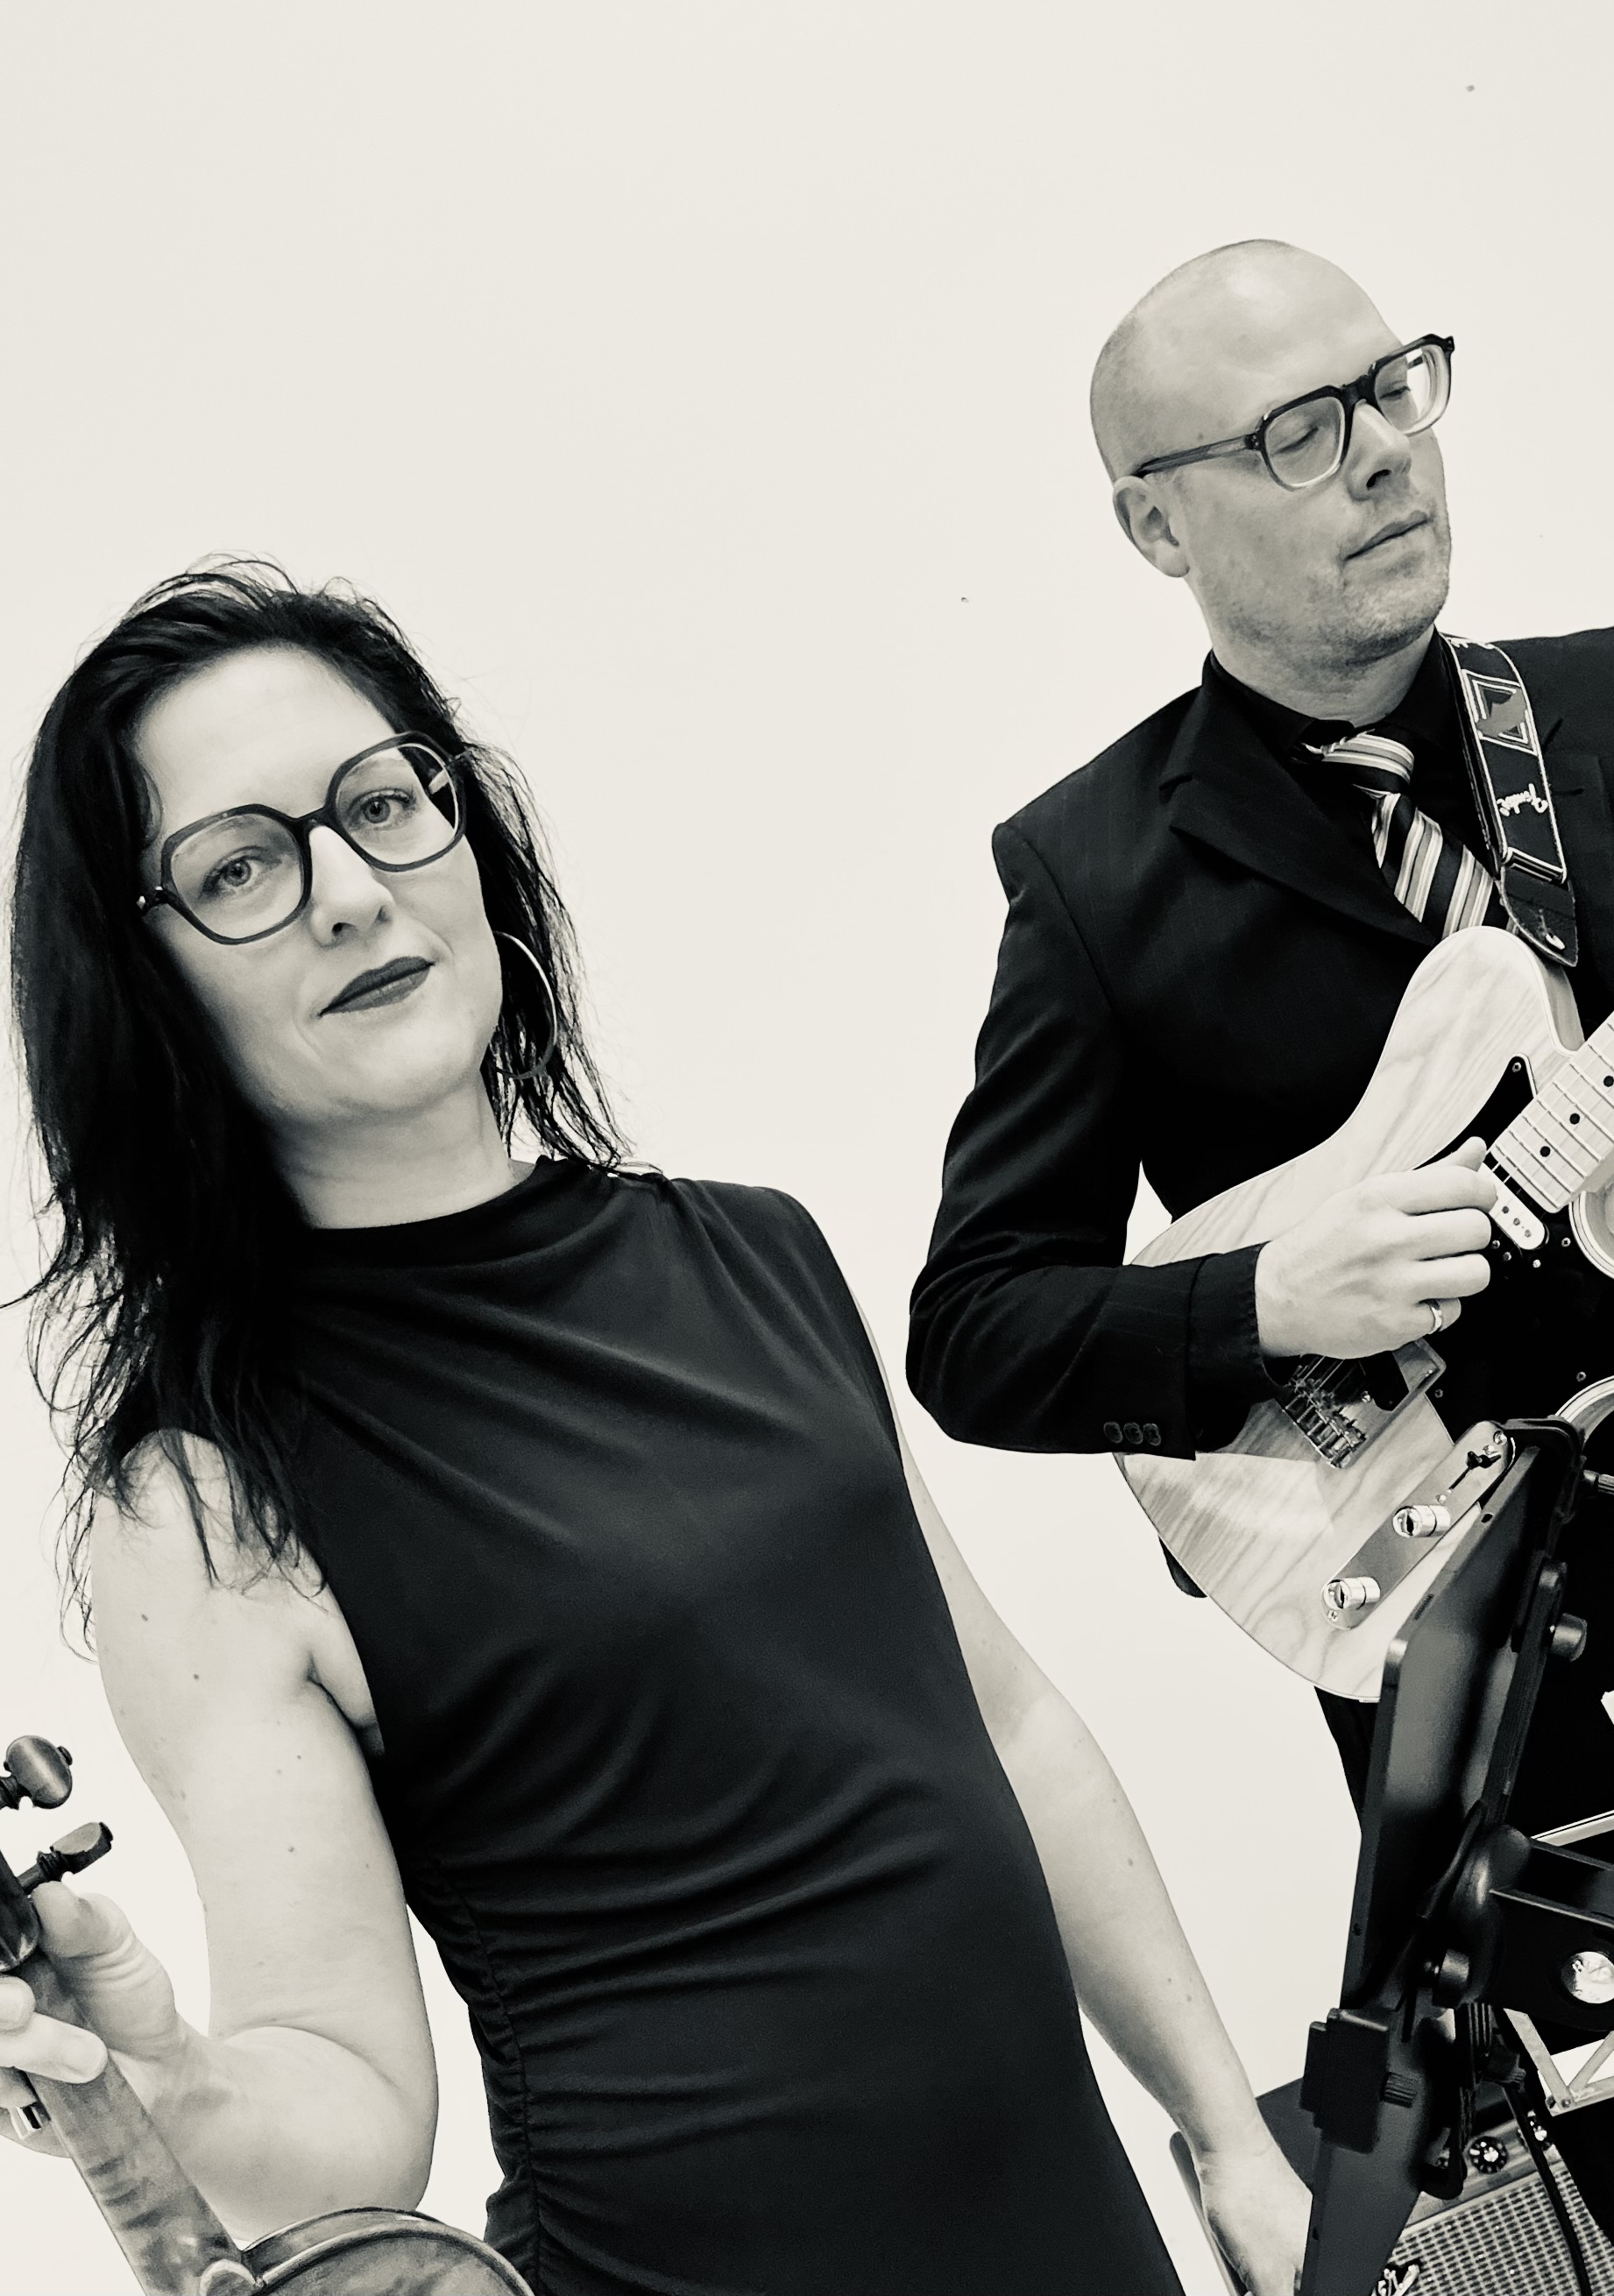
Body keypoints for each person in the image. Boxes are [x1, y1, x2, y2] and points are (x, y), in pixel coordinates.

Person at [0, 564, 1308, 2296]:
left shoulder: (755, 1253)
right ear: (142, 975)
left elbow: (1006, 1724)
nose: (349, 894)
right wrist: (157, 2075)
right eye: (240, 867)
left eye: (381, 804)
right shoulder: (203, 1497)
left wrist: (1224, 2135)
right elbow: (351, 2115)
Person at [907, 239, 1614, 2285]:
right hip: (1500, 1706)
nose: (1376, 454)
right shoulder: (1093, 878)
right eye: (1294, 431)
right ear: (1153, 526)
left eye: (1391, 388)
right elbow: (976, 1329)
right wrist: (1266, 1298)